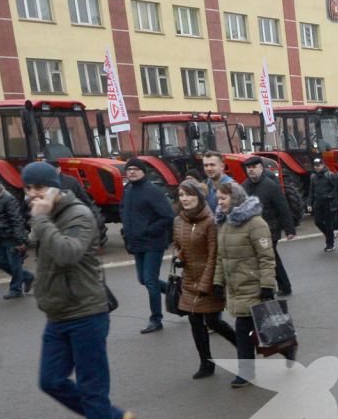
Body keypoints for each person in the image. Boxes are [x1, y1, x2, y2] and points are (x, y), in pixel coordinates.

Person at [23, 161, 131, 419]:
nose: (33, 195)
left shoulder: (79, 215)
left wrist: (41, 219)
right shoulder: (49, 215)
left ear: (56, 188)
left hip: (86, 313)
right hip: (57, 312)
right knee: (50, 380)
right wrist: (41, 220)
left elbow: (67, 253)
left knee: (91, 388)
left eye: (39, 188)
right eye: (28, 189)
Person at [213, 180, 279, 386]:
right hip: (236, 286)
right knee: (251, 330)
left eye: (223, 198)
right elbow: (220, 257)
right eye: (218, 199)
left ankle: (249, 370)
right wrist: (218, 282)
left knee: (250, 330)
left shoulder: (256, 224)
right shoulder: (224, 223)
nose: (220, 202)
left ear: (236, 198)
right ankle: (253, 368)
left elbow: (266, 257)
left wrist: (267, 285)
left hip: (255, 285)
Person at [169, 179, 235, 378]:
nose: (185, 199)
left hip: (210, 280)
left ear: (199, 197)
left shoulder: (210, 221)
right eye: (181, 195)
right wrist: (179, 257)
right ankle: (206, 363)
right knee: (195, 322)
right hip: (189, 279)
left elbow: (214, 255)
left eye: (189, 194)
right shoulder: (178, 221)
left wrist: (207, 284)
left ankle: (244, 346)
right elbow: (177, 245)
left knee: (213, 322)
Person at [118, 159, 174, 333]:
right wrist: (126, 233)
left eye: (136, 169)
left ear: (143, 172)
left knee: (150, 280)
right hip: (136, 243)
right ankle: (177, 296)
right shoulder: (128, 190)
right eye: (129, 169)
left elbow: (168, 216)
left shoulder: (152, 190)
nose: (132, 172)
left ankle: (156, 319)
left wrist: (149, 231)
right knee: (143, 279)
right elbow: (124, 212)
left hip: (153, 242)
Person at [242, 156, 295, 297]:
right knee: (268, 258)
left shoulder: (270, 186)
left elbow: (283, 208)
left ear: (261, 168)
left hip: (271, 228)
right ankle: (278, 286)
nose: (251, 170)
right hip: (253, 230)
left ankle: (279, 287)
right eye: (249, 168)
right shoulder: (245, 186)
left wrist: (290, 229)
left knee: (270, 258)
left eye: (254, 167)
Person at [307, 156, 338, 252]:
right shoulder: (313, 177)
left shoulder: (330, 175)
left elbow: (336, 189)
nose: (317, 167)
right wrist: (309, 203)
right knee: (317, 221)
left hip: (329, 203)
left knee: (329, 224)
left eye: (318, 165)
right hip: (318, 203)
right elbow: (311, 190)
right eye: (315, 166)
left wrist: (332, 199)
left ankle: (330, 245)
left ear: (323, 165)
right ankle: (329, 234)